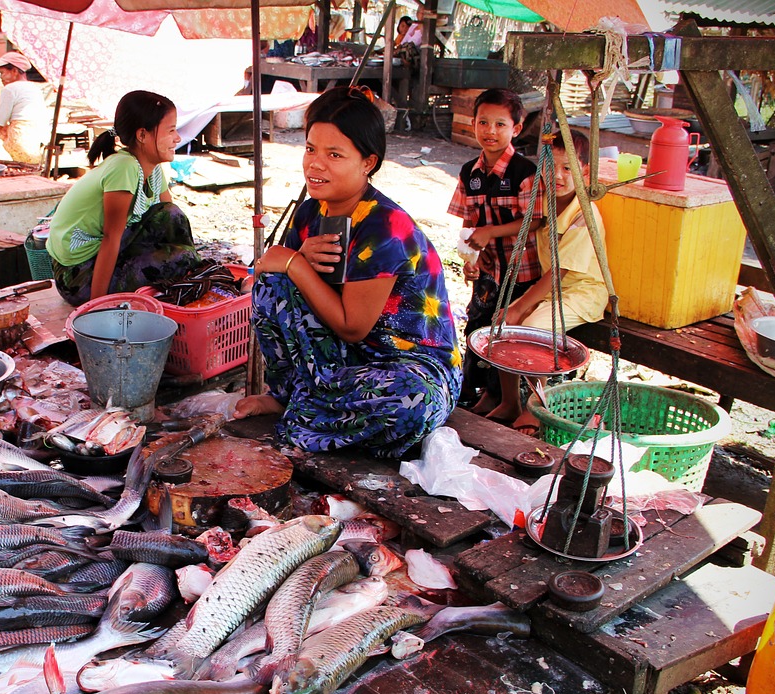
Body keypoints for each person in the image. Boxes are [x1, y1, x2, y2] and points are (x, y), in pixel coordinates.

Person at [234, 85, 462, 459]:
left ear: (367, 162)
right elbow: (259, 278)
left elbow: (352, 325)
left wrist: (294, 263)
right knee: (272, 287)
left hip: (408, 365)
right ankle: (290, 397)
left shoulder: (386, 227)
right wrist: (288, 261)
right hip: (347, 362)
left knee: (412, 402)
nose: (315, 164)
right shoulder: (310, 212)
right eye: (310, 149)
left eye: (334, 154)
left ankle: (308, 409)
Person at [488, 130, 608, 435]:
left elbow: (561, 273)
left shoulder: (584, 213)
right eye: (550, 167)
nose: (557, 175)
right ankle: (510, 401)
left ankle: (536, 408)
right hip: (552, 289)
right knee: (501, 324)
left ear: (585, 172)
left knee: (533, 332)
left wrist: (521, 307)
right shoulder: (545, 206)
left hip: (582, 291)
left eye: (568, 168)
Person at [46, 90, 201, 307]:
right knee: (182, 259)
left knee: (171, 217)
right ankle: (183, 286)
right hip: (77, 277)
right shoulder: (124, 167)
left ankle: (189, 284)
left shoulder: (153, 168)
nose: (177, 138)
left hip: (102, 255)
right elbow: (111, 238)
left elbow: (171, 222)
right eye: (171, 131)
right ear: (142, 135)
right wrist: (96, 308)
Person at [447, 87, 541, 414]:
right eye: (483, 122)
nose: (490, 131)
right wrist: (471, 257)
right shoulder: (468, 173)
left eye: (500, 124)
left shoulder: (525, 172)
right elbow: (468, 224)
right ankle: (488, 395)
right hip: (489, 270)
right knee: (479, 328)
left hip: (522, 270)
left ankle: (516, 403)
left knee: (511, 337)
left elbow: (535, 222)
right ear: (472, 123)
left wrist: (491, 233)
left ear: (516, 128)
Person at [0, 51, 48, 165]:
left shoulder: (9, 89)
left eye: (3, 73)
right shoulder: (33, 87)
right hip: (38, 140)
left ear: (14, 71)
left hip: (20, 141)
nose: (1, 77)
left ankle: (6, 157)